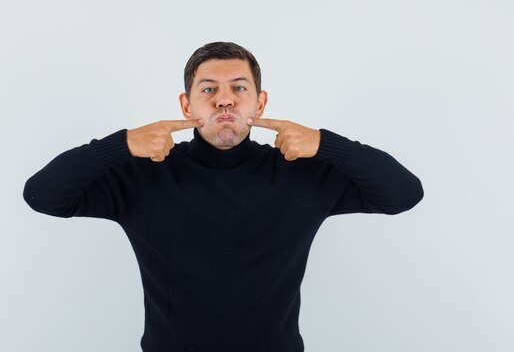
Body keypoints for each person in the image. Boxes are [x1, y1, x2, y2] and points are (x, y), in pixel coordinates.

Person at [22, 41, 424, 352]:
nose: (225, 99)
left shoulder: (302, 174)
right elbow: (43, 195)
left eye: (239, 88)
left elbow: (403, 193)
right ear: (186, 103)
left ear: (260, 102)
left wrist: (325, 144)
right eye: (209, 88)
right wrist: (122, 144)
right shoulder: (144, 176)